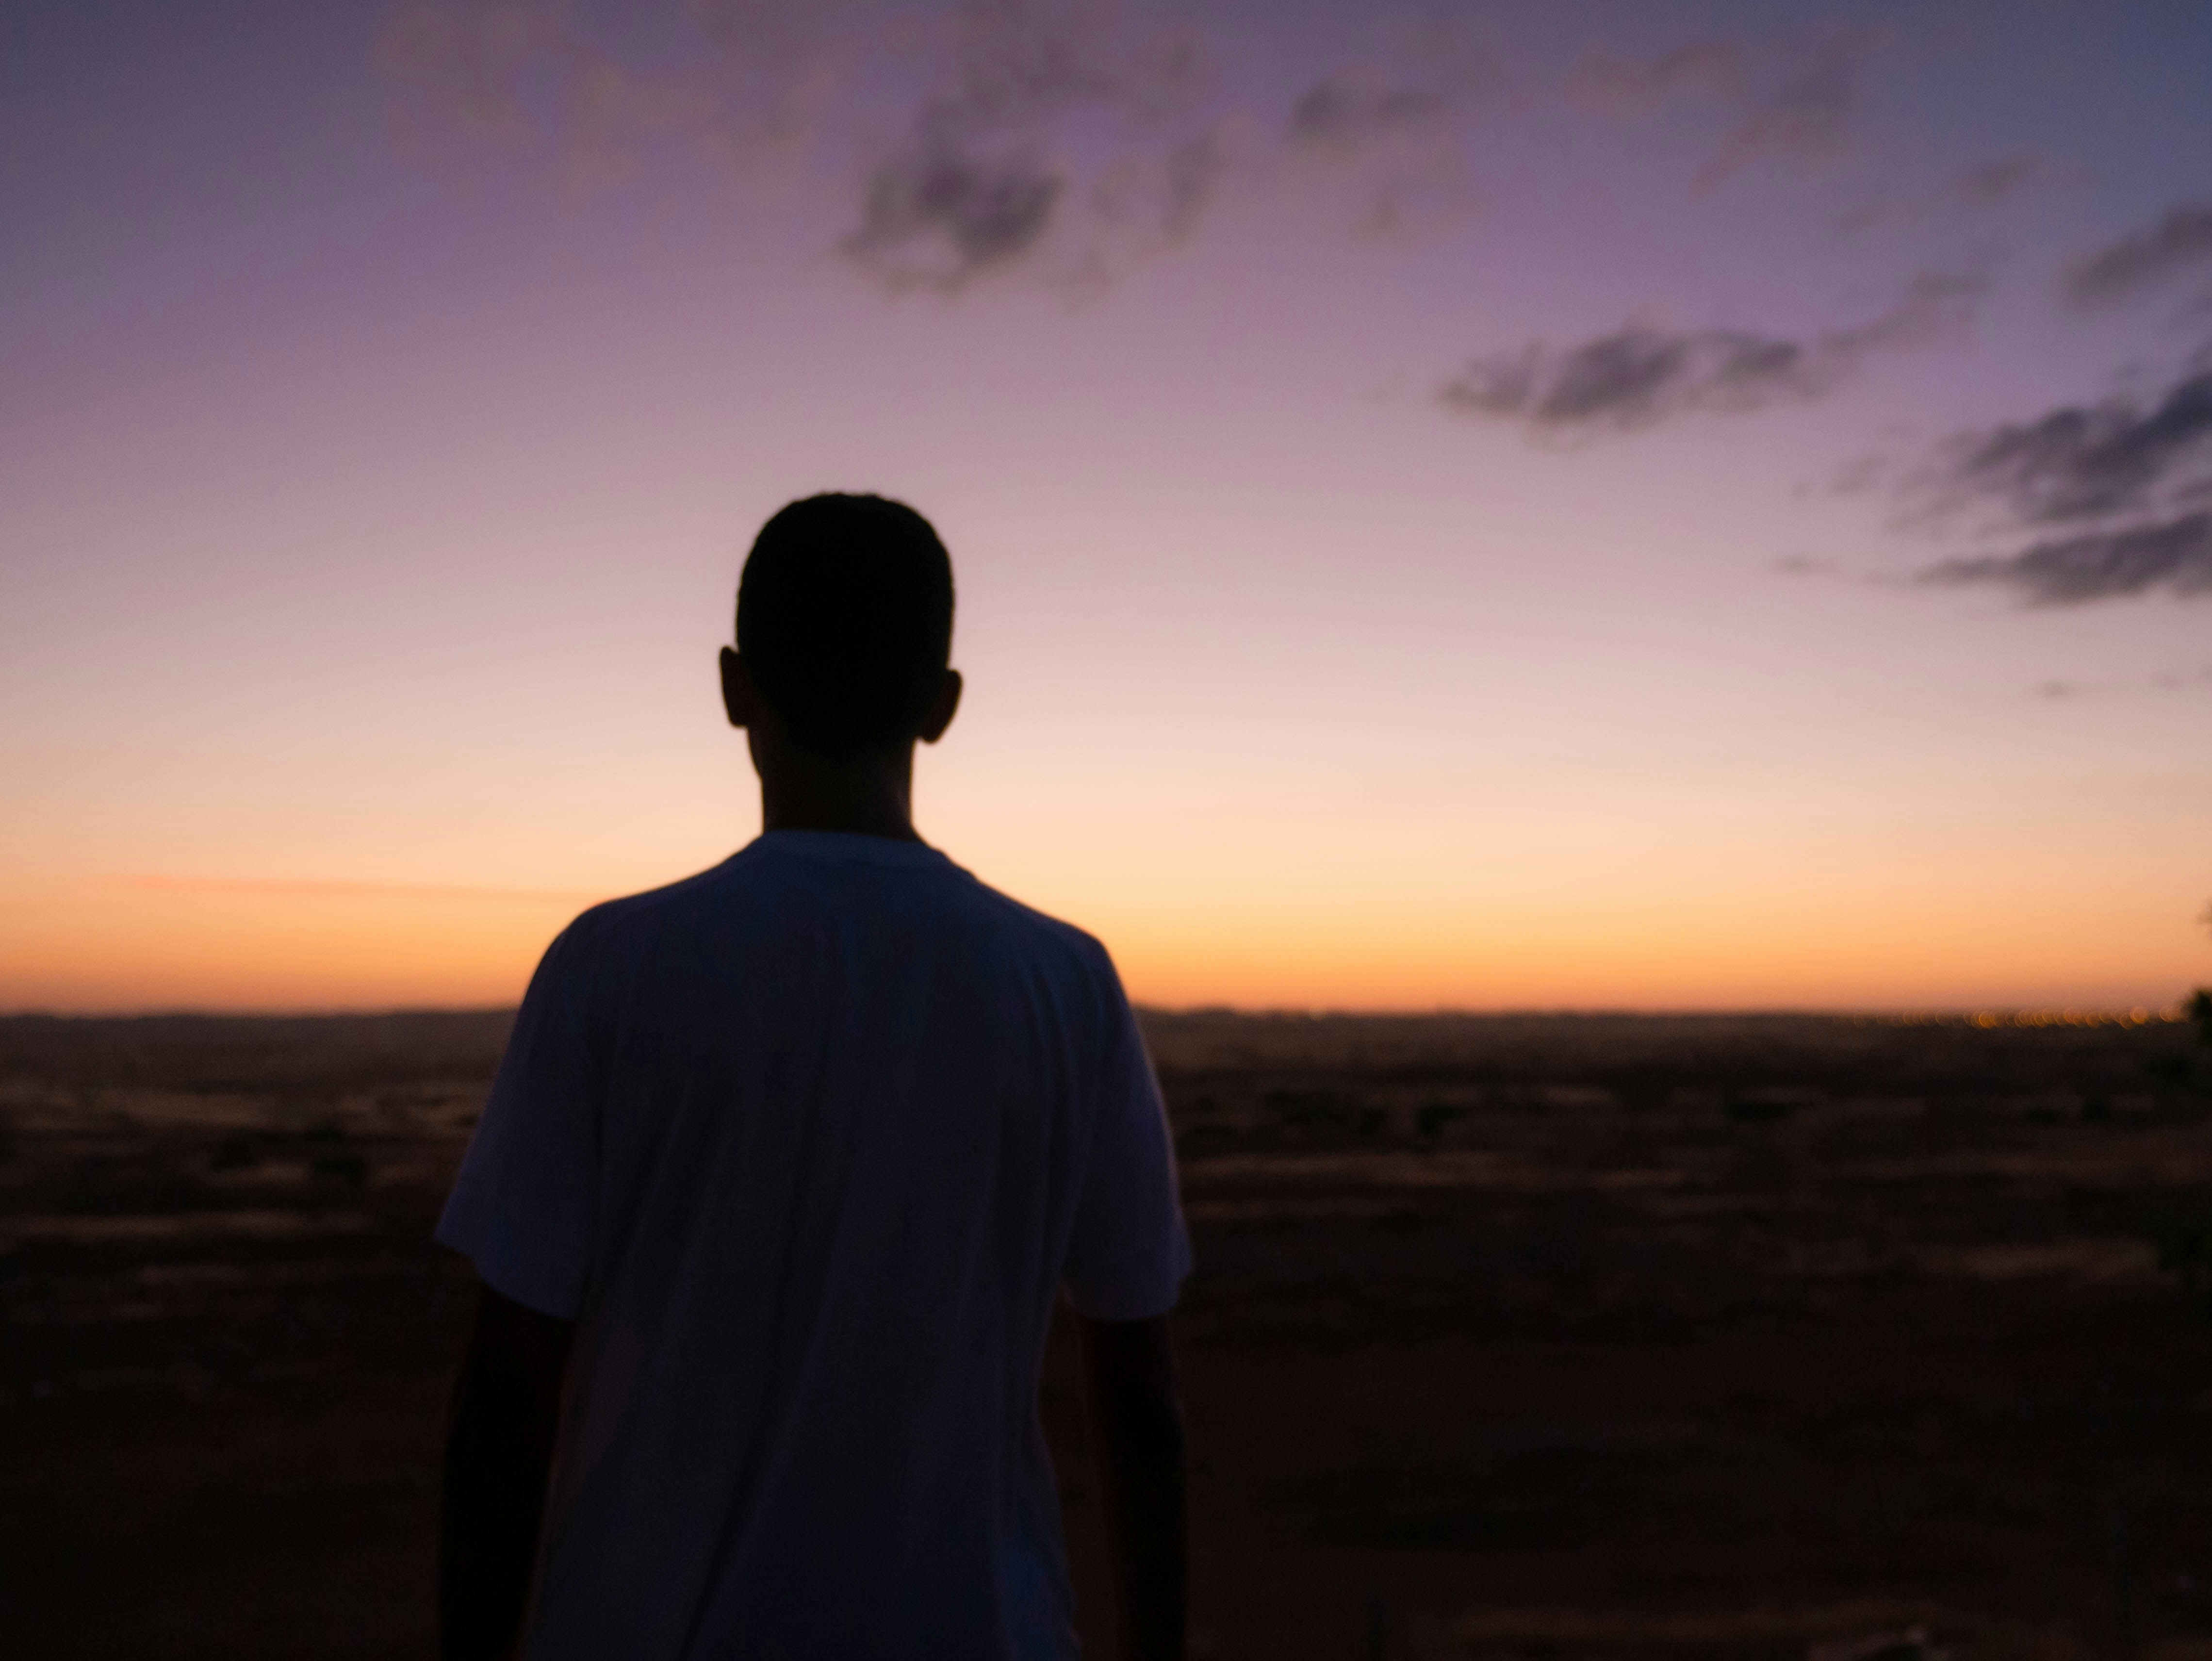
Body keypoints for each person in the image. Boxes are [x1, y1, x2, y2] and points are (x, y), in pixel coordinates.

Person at [434, 493, 1192, 1661]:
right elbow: (1136, 1400)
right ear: (943, 708)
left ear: (735, 688)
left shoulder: (611, 970)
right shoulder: (1064, 983)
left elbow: (505, 1394)